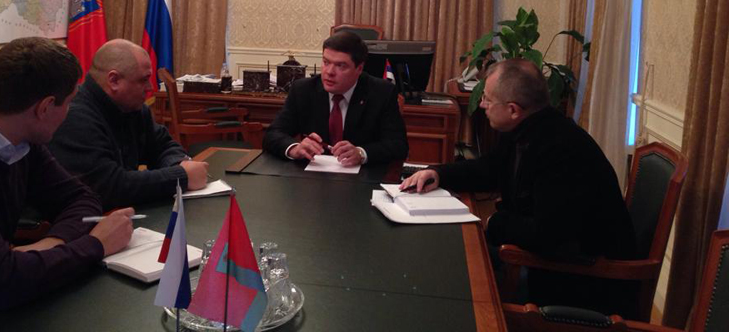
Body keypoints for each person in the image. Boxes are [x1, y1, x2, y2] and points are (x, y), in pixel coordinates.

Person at [400, 58, 636, 315]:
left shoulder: (561, 149)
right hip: (549, 259)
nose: (482, 105)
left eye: (488, 99)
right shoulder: (529, 128)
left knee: (456, 270)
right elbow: (490, 169)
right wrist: (438, 173)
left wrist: (494, 223)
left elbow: (547, 235)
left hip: (582, 281)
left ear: (513, 109)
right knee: (449, 254)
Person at [0, 37, 134, 323]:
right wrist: (96, 245)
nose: (69, 113)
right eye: (69, 102)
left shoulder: (20, 137)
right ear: (45, 107)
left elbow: (81, 198)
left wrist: (50, 244)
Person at [49, 39, 208, 211]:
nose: (150, 87)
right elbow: (109, 187)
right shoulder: (75, 116)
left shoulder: (132, 107)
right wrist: (180, 177)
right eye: (144, 80)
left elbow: (163, 145)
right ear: (114, 81)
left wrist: (177, 163)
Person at [263, 31, 408, 166]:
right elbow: (273, 134)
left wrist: (361, 153)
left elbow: (398, 145)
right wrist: (294, 148)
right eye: (326, 62)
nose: (329, 72)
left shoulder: (381, 92)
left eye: (340, 66)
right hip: (313, 176)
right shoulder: (303, 90)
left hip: (362, 176)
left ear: (359, 68)